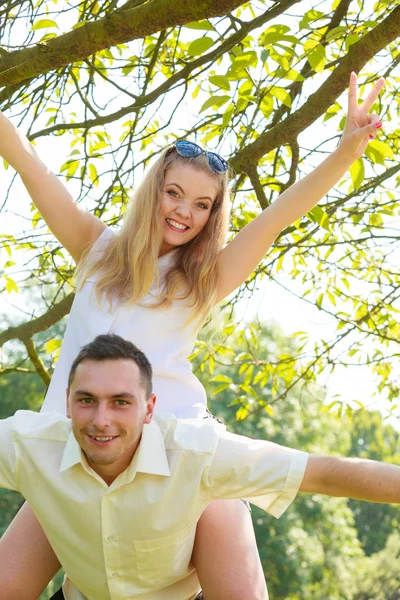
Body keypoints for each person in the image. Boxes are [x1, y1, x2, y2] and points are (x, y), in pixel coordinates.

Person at [0, 72, 385, 600]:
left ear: (211, 216)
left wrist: (346, 150)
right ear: (153, 191)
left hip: (177, 454)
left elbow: (278, 217)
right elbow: (30, 163)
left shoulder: (200, 282)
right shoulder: (95, 251)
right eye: (175, 193)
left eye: (202, 204)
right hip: (78, 444)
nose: (184, 211)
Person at [1, 333, 399, 600]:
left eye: (120, 402)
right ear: (68, 401)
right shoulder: (31, 446)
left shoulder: (198, 453)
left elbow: (326, 472)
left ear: (148, 409)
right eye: (87, 400)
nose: (101, 419)